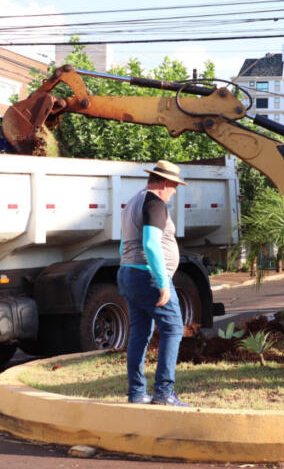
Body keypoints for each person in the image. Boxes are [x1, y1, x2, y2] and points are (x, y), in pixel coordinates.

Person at [117, 160, 189, 406]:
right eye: (175, 186)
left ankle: (137, 393)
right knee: (173, 329)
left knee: (140, 332)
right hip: (147, 275)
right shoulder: (155, 204)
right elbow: (150, 244)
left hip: (128, 272)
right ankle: (164, 392)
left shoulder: (133, 201)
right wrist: (163, 283)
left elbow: (123, 241)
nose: (175, 191)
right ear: (166, 184)